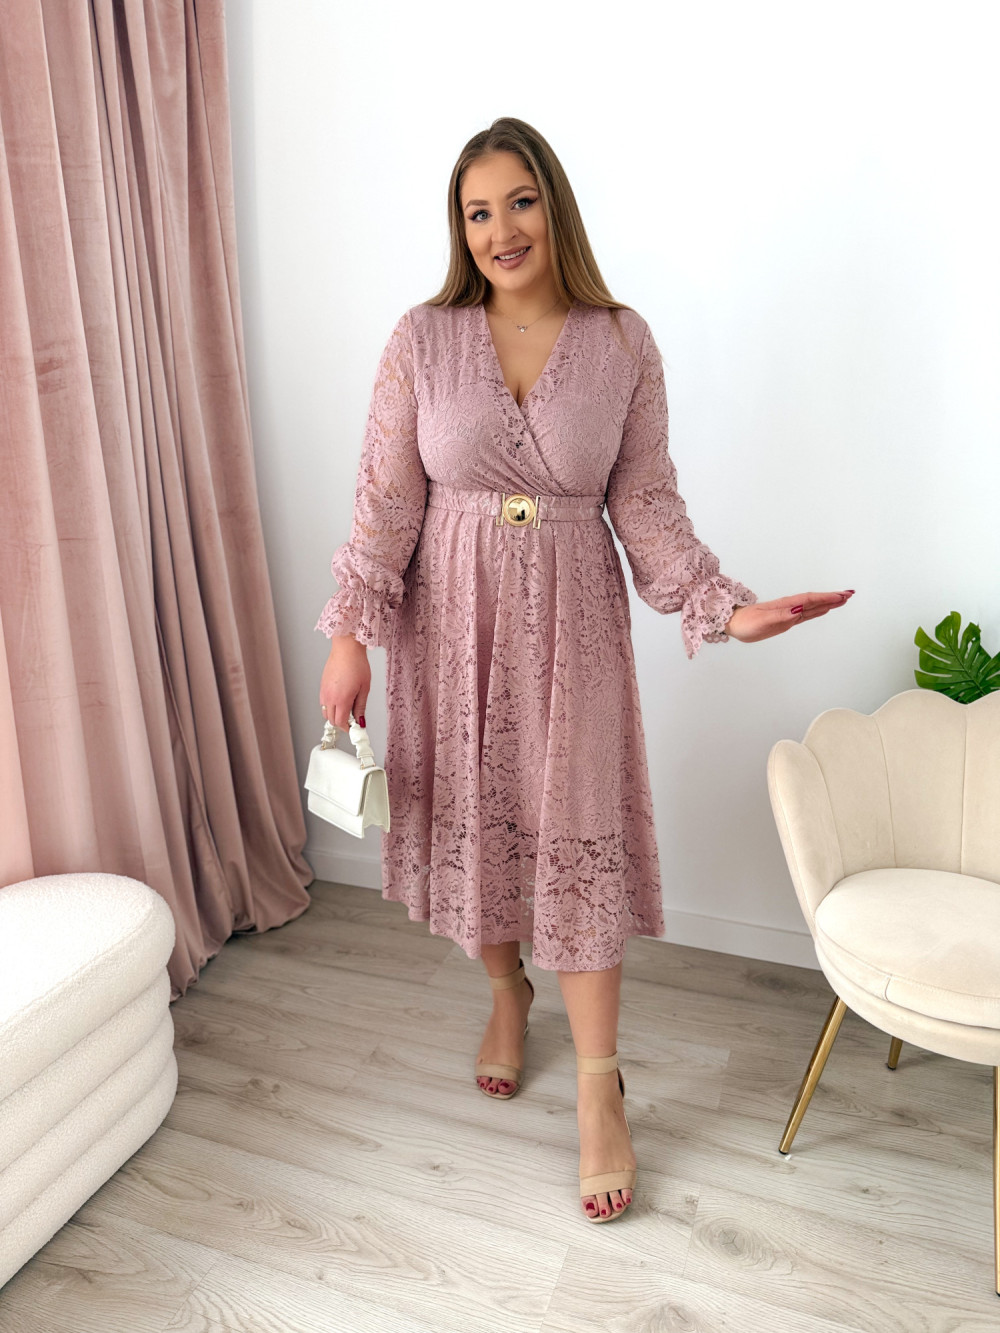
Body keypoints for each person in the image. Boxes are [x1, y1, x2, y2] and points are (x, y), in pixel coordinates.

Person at [316, 117, 853, 1224]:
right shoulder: (422, 338)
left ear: (553, 203)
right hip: (450, 621)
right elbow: (385, 501)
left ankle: (601, 1089)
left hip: (574, 623)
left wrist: (726, 609)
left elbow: (645, 503)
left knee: (574, 834)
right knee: (479, 819)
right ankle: (506, 990)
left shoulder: (620, 342)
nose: (500, 229)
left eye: (519, 201)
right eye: (477, 211)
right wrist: (348, 636)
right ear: (459, 228)